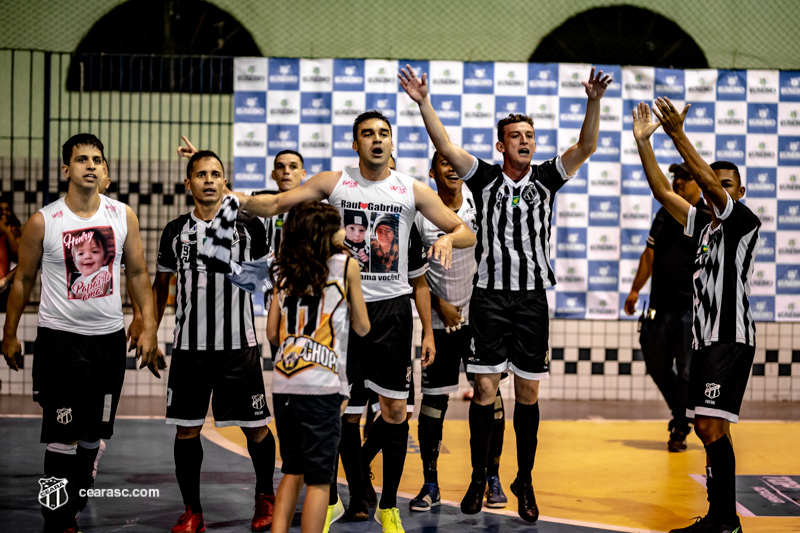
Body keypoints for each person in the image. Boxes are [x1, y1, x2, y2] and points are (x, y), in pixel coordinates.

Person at [229, 110, 476, 533]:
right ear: (355, 143)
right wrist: (227, 197)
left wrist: (450, 239)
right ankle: (337, 495)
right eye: (368, 134)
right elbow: (274, 203)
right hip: (346, 309)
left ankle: (389, 506)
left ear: (392, 144)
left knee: (396, 410)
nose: (377, 140)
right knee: (343, 410)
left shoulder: (410, 189)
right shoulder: (334, 182)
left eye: (384, 134)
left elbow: (465, 230)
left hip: (393, 312)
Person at [399, 64, 611, 522]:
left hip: (532, 299)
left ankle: (525, 479)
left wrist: (593, 102)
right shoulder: (485, 177)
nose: (525, 141)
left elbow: (587, 145)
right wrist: (423, 103)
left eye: (530, 135)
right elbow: (446, 147)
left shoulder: (548, 178)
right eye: (516, 135)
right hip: (490, 299)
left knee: (529, 394)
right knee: (484, 389)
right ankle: (480, 476)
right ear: (501, 144)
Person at [1, 133, 159, 533]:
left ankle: (85, 475)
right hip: (60, 342)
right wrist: (10, 333)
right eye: (82, 159)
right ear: (66, 169)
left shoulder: (123, 216)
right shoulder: (44, 221)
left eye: (97, 159)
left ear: (104, 169)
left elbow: (139, 274)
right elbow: (22, 280)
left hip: (108, 341)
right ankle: (55, 518)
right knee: (61, 437)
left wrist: (149, 326)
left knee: (92, 434)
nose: (91, 165)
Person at [633, 99, 760, 533]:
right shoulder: (703, 225)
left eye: (726, 185)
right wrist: (643, 143)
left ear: (738, 193)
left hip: (729, 337)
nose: (716, 189)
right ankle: (722, 519)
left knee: (707, 426)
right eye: (716, 184)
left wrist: (677, 134)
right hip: (707, 340)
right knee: (711, 429)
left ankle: (724, 520)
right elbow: (662, 193)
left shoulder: (742, 221)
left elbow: (704, 178)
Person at [153, 150, 277, 533]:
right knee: (186, 430)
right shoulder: (175, 231)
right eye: (201, 174)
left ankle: (265, 497)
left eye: (216, 174)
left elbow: (266, 282)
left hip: (239, 348)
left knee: (256, 428)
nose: (209, 180)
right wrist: (148, 331)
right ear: (187, 183)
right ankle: (193, 511)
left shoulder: (249, 227)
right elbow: (161, 286)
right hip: (189, 350)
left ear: (226, 183)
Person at [408, 151, 509, 512]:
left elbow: (498, 255)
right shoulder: (420, 212)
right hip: (439, 322)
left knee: (490, 396)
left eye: (456, 164)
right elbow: (414, 271)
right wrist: (440, 306)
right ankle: (430, 483)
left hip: (482, 318)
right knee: (434, 401)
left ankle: (490, 478)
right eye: (443, 164)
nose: (451, 168)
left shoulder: (479, 205)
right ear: (433, 171)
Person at [267, 201, 371, 533]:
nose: (344, 231)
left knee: (292, 470)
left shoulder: (282, 270)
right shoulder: (345, 266)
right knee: (319, 481)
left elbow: (271, 333)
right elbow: (363, 327)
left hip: (284, 384)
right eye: (337, 225)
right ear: (324, 233)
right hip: (322, 388)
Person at [625, 161, 711, 452]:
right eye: (675, 178)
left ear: (699, 183)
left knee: (687, 373)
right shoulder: (663, 214)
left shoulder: (706, 219)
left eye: (686, 178)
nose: (678, 183)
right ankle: (683, 413)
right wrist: (636, 289)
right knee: (656, 365)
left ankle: (680, 423)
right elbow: (649, 255)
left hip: (692, 310)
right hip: (659, 308)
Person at [0, 200, 21, 311]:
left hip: (5, 286)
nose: (4, 212)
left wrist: (6, 231)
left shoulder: (15, 231)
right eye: (0, 209)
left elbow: (17, 256)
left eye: (7, 209)